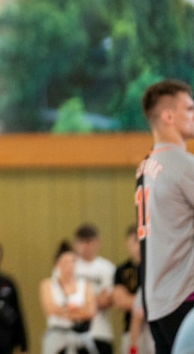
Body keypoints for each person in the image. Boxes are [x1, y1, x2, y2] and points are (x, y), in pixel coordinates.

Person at [135, 79, 194, 354]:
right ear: (168, 116)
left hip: (156, 303)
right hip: (185, 298)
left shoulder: (145, 166)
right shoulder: (183, 164)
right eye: (190, 109)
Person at [40, 241, 96, 354]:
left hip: (80, 334)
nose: (69, 266)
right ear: (57, 264)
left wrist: (64, 310)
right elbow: (50, 309)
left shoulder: (84, 285)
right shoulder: (48, 284)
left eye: (72, 262)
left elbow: (90, 311)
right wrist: (77, 310)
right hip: (56, 334)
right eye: (65, 262)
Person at [72, 224, 116, 354]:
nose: (86, 246)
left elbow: (107, 301)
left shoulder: (107, 268)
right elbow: (64, 300)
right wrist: (94, 298)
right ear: (75, 244)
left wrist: (80, 299)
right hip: (72, 334)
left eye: (89, 242)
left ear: (96, 242)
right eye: (82, 242)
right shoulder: (69, 267)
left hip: (100, 332)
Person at [112, 225, 152, 354]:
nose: (139, 245)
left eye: (142, 240)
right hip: (131, 331)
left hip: (153, 328)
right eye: (135, 240)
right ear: (127, 243)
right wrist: (145, 300)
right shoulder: (122, 270)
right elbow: (119, 301)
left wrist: (135, 301)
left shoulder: (153, 267)